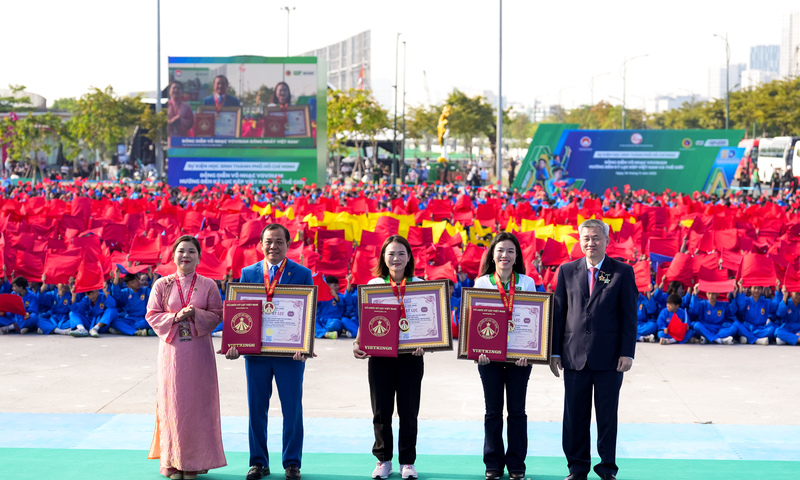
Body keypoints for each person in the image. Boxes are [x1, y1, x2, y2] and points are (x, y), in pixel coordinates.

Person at [550, 219, 637, 480]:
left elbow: (629, 315)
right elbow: (558, 313)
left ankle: (607, 468)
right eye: (586, 238)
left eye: (596, 238)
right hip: (574, 356)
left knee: (607, 417)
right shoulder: (566, 271)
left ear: (607, 241)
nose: (591, 243)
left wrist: (627, 351)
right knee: (574, 416)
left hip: (609, 358)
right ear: (580, 240)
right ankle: (577, 468)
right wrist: (554, 352)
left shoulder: (622, 272)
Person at [225, 224, 313, 480]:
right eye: (268, 241)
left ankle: (292, 462)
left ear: (288, 244)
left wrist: (304, 346)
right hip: (257, 354)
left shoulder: (302, 274)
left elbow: (307, 312)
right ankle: (258, 462)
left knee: (292, 409)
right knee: (256, 408)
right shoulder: (248, 273)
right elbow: (241, 312)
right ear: (260, 244)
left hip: (290, 355)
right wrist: (236, 344)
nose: (273, 246)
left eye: (279, 241)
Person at [145, 236, 226, 479]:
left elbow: (217, 315)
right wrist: (176, 317)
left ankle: (193, 463)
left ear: (199, 257)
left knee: (196, 406)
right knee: (173, 405)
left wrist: (197, 313)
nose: (186, 255)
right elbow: (151, 315)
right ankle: (171, 462)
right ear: (174, 255)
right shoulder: (162, 284)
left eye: (191, 251)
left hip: (199, 353)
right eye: (181, 251)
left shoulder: (208, 284)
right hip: (172, 353)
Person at [353, 235, 425, 480]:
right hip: (381, 358)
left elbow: (429, 324)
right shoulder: (374, 284)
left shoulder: (420, 284)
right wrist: (357, 342)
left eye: (401, 253)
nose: (396, 258)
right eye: (391, 254)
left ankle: (408, 461)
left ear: (409, 257)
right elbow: (366, 319)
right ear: (383, 257)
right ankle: (383, 459)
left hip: (410, 358)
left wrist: (425, 344)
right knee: (381, 410)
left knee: (408, 411)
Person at [472, 232, 537, 480]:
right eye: (500, 250)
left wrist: (530, 352)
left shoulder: (528, 283)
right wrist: (479, 351)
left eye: (510, 251)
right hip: (489, 358)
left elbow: (535, 319)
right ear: (492, 254)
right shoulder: (482, 283)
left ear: (517, 255)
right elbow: (475, 321)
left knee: (517, 412)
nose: (505, 255)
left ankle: (517, 466)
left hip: (520, 357)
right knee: (492, 412)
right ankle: (493, 465)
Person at [111, 271, 154, 336]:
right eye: (133, 282)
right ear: (128, 286)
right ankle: (136, 332)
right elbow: (116, 294)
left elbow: (154, 293)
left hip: (142, 319)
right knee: (115, 322)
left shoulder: (145, 290)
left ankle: (125, 330)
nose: (137, 283)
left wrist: (154, 277)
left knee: (150, 322)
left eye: (137, 280)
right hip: (130, 318)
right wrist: (117, 276)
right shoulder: (126, 292)